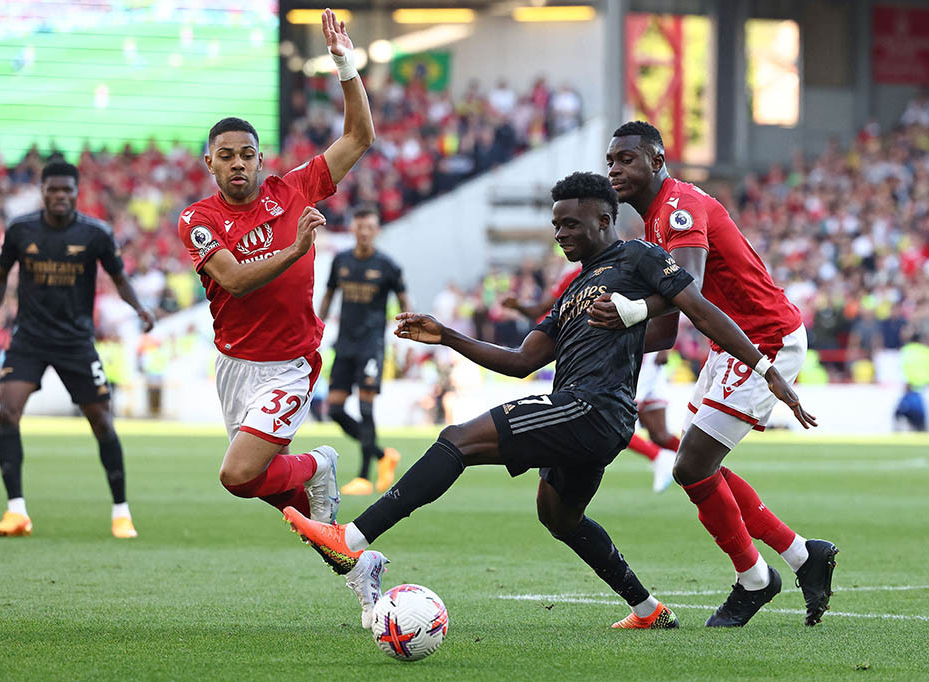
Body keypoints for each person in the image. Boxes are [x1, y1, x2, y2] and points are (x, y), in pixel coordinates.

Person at [283, 172, 815, 631]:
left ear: (604, 220)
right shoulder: (571, 291)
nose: (560, 234)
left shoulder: (639, 257)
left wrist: (767, 369)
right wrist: (446, 335)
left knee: (456, 440)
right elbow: (520, 361)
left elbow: (698, 309)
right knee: (558, 517)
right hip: (586, 415)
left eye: (571, 224)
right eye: (556, 225)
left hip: (594, 407)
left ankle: (351, 537)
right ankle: (649, 608)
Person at [175, 10, 387, 614]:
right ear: (210, 164)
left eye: (247, 153)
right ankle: (353, 563)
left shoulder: (293, 190)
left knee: (238, 477)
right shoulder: (198, 219)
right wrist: (296, 248)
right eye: (226, 156)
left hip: (289, 364)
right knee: (278, 497)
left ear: (261, 158)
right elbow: (236, 283)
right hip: (234, 367)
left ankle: (320, 464)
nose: (238, 163)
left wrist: (346, 66)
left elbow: (359, 138)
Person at [593, 120, 838, 626]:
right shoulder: (655, 221)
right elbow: (664, 328)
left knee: (690, 467)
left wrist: (629, 312)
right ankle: (800, 557)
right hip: (731, 344)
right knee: (699, 466)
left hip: (764, 339)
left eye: (627, 159)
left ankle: (756, 579)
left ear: (657, 161)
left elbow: (692, 290)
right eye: (611, 161)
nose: (615, 169)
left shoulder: (679, 210)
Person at [0, 160, 155, 539]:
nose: (59, 196)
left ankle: (121, 512)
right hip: (30, 338)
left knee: (102, 421)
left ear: (76, 192)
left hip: (76, 341)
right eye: (52, 190)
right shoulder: (20, 230)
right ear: (42, 191)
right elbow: (0, 278)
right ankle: (16, 511)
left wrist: (139, 308)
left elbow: (119, 277)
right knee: (7, 411)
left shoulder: (95, 234)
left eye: (66, 191)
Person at [505, 265, 682, 493]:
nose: (563, 237)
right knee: (655, 431)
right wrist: (518, 305)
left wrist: (666, 341)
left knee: (607, 414)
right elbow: (542, 309)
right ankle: (688, 463)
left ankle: (668, 459)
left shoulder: (629, 259)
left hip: (633, 350)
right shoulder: (573, 274)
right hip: (611, 354)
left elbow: (667, 290)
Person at [318, 204, 410, 496]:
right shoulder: (341, 261)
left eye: (370, 227)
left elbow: (405, 302)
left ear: (377, 230)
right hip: (344, 344)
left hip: (371, 346)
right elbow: (329, 295)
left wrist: (406, 332)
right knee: (333, 409)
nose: (365, 233)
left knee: (365, 407)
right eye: (360, 227)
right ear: (352, 229)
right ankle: (383, 455)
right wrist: (315, 329)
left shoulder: (388, 266)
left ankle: (363, 477)